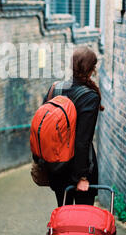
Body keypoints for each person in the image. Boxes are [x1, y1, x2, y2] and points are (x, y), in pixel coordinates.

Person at [40, 46, 104, 207]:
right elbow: (82, 141)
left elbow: (43, 126)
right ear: (92, 69)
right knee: (83, 221)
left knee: (63, 215)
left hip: (57, 166)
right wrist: (82, 177)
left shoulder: (55, 88)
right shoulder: (90, 96)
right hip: (81, 169)